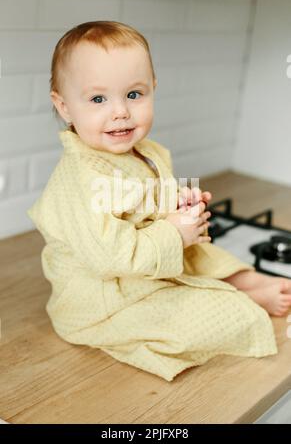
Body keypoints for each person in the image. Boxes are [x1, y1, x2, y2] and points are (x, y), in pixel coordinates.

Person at [27, 21, 291, 382]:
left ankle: (244, 280)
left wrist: (180, 208)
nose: (120, 111)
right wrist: (171, 232)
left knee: (201, 252)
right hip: (106, 299)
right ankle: (241, 298)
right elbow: (111, 258)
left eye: (134, 94)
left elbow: (149, 202)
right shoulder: (81, 180)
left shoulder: (147, 152)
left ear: (153, 89)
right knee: (215, 316)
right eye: (98, 99)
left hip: (150, 264)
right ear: (65, 106)